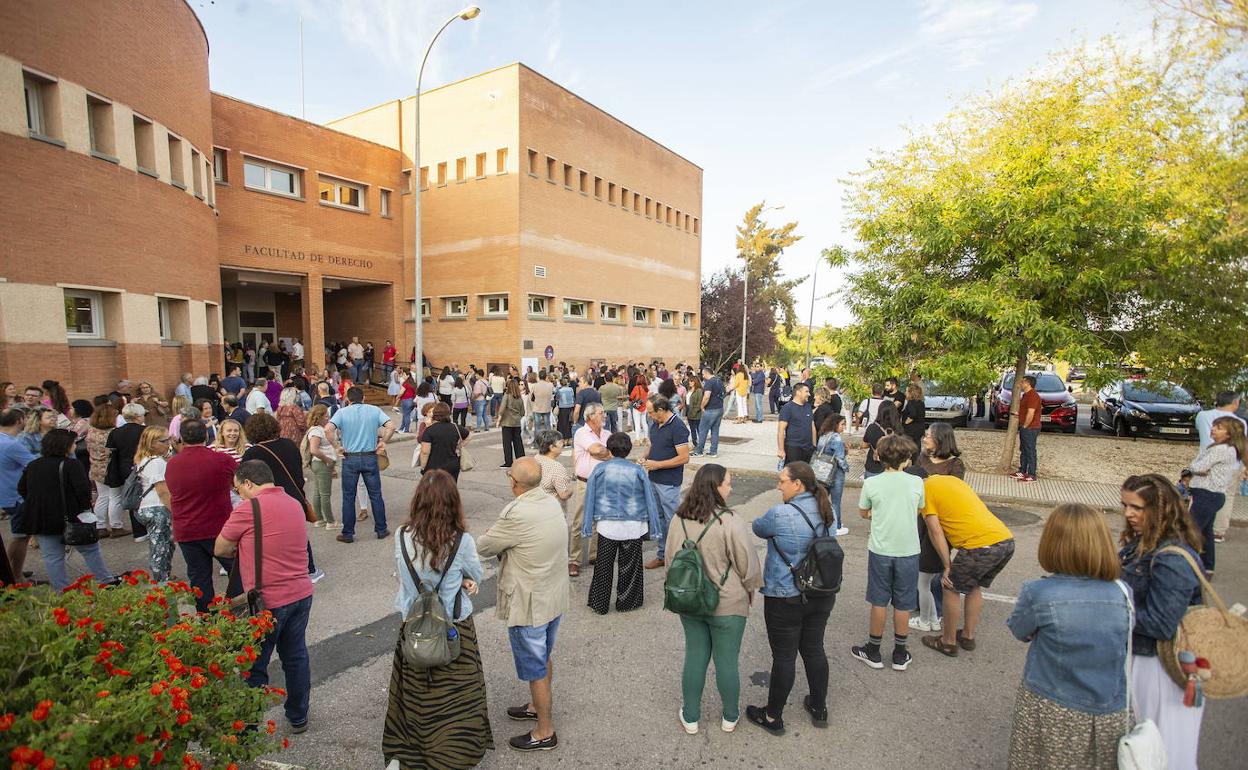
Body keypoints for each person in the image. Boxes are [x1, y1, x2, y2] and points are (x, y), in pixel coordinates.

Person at [1005, 503, 1131, 770]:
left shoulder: (1040, 592)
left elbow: (1019, 630)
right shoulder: (1123, 592)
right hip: (1110, 708)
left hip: (1052, 705)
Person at [384, 469, 493, 768]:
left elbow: (408, 578)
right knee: (457, 693)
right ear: (453, 502)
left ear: (417, 500)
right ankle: (455, 749)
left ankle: (413, 746)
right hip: (453, 625)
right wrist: (460, 581)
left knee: (417, 689)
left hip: (415, 621)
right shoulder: (461, 540)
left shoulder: (401, 536)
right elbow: (476, 573)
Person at [476, 458, 570, 753]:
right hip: (552, 594)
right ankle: (535, 706)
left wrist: (492, 532)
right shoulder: (550, 501)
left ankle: (544, 731)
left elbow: (484, 547)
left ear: (514, 483)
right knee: (543, 655)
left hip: (529, 601)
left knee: (535, 667)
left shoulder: (516, 512)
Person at [215, 460, 314, 734]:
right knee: (295, 656)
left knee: (255, 664)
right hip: (301, 592)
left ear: (248, 483)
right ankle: (298, 715)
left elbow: (221, 547)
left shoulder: (248, 509)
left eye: (239, 489)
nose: (238, 494)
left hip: (267, 599)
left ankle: (248, 725)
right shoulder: (294, 503)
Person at [1117, 473, 1205, 769]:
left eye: (1137, 508)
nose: (1128, 514)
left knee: (1162, 751)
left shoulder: (1172, 558)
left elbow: (1160, 623)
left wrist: (1112, 611)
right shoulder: (1143, 543)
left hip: (1160, 670)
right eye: (1125, 505)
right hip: (1143, 660)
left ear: (1161, 509)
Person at [745, 461, 837, 735]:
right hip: (821, 593)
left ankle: (773, 717)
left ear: (797, 484)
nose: (778, 485)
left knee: (784, 656)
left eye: (782, 481)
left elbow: (758, 528)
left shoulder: (780, 514)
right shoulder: (826, 510)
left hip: (785, 595)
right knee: (814, 648)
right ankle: (819, 706)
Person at [670, 464, 763, 735]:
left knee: (695, 655)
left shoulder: (679, 519)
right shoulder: (730, 520)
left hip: (689, 598)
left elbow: (670, 559)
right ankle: (730, 715)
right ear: (716, 486)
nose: (730, 487)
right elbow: (747, 563)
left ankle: (690, 715)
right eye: (728, 483)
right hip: (728, 600)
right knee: (727, 660)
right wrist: (750, 589)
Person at [851, 434, 923, 672]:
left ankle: (873, 649)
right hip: (909, 550)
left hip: (881, 548)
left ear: (879, 456)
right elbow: (920, 508)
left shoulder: (872, 483)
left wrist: (876, 514)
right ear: (907, 458)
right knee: (903, 602)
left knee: (879, 599)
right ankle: (900, 652)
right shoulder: (916, 483)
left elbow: (863, 512)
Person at [15, 429, 114, 591]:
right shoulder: (71, 464)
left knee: (52, 557)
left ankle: (62, 591)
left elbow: (22, 488)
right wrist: (86, 510)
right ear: (66, 445)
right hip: (71, 514)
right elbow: (82, 491)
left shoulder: (33, 464)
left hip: (41, 518)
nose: (75, 446)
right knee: (90, 550)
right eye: (73, 443)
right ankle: (106, 580)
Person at [165, 419, 242, 612]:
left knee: (199, 578)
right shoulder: (221, 460)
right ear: (207, 435)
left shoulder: (172, 464)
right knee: (239, 570)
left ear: (182, 438)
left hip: (187, 529)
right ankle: (242, 608)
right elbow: (240, 482)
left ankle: (206, 618)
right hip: (219, 527)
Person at [582, 432, 661, 614]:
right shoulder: (638, 470)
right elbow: (649, 500)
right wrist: (654, 527)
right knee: (630, 567)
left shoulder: (600, 470)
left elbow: (590, 498)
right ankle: (627, 602)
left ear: (609, 449)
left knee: (603, 566)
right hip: (633, 525)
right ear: (629, 449)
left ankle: (599, 603)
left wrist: (587, 526)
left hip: (606, 525)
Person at [242, 413, 325, 583]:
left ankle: (282, 570)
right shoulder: (288, 444)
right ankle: (309, 569)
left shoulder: (252, 453)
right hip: (294, 495)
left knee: (273, 536)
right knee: (298, 534)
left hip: (268, 501)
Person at [330, 387, 394, 543]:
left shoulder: (342, 412)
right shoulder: (374, 410)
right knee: (376, 494)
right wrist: (383, 442)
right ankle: (381, 529)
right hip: (369, 456)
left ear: (348, 399)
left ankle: (348, 533)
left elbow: (328, 429)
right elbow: (391, 425)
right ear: (363, 398)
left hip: (350, 458)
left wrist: (336, 445)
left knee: (348, 496)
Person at [1185, 415, 1245, 575]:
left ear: (1229, 433)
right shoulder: (1226, 449)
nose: (1213, 429)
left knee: (1191, 530)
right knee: (1206, 532)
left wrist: (1194, 468)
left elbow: (1197, 466)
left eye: (1219, 427)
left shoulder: (1221, 449)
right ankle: (1208, 566)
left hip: (1207, 494)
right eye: (1214, 426)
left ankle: (1185, 566)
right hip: (1214, 494)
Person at [641, 395, 691, 570]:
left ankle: (679, 556)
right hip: (654, 478)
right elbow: (652, 444)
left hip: (669, 482)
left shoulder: (678, 427)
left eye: (651, 412)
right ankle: (663, 554)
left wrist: (658, 464)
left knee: (672, 520)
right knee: (660, 518)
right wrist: (645, 457)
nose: (649, 415)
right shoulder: (655, 424)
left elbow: (685, 457)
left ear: (661, 410)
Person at [1194, 391, 1246, 544]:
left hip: (1207, 460)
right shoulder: (1240, 423)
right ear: (1236, 403)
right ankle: (1218, 531)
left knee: (1203, 494)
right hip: (1231, 463)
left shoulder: (1202, 416)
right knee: (1226, 496)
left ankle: (1201, 527)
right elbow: (1242, 444)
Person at [569, 403, 612, 576]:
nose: (604, 416)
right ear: (591, 416)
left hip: (603, 482)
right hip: (585, 482)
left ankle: (595, 555)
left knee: (599, 520)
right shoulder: (581, 432)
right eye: (602, 413)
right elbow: (595, 449)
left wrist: (604, 453)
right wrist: (606, 453)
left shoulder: (607, 434)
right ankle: (574, 560)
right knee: (579, 521)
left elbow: (611, 452)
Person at [132, 426, 175, 580]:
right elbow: (162, 491)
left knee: (162, 544)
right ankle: (161, 580)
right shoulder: (156, 462)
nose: (169, 443)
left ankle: (163, 576)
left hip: (145, 507)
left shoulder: (143, 460)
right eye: (164, 441)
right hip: (157, 508)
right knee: (161, 547)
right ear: (152, 443)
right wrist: (175, 512)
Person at [105, 403, 149, 543]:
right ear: (137, 416)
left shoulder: (115, 432)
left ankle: (138, 531)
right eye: (142, 415)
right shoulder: (146, 431)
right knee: (146, 497)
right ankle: (147, 528)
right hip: (143, 465)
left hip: (123, 468)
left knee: (132, 497)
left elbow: (111, 451)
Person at [85, 403, 128, 538]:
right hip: (110, 468)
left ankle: (100, 526)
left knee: (102, 497)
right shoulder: (113, 433)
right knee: (115, 496)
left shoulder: (91, 431)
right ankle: (116, 526)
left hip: (96, 467)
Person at [302, 404, 339, 530]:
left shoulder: (316, 429)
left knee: (318, 492)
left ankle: (319, 519)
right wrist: (328, 460)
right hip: (321, 464)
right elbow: (314, 449)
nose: (328, 419)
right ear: (319, 417)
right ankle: (330, 521)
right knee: (325, 494)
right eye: (326, 416)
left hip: (319, 464)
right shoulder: (316, 431)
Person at [814, 412, 850, 536]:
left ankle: (820, 522)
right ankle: (837, 526)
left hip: (822, 471)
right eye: (842, 424)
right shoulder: (836, 437)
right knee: (836, 501)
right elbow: (840, 458)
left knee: (822, 498)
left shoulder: (824, 435)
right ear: (835, 424)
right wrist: (846, 468)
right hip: (835, 472)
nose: (844, 427)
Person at [419, 402, 471, 481]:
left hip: (433, 466)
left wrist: (423, 466)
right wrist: (459, 446)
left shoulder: (430, 430)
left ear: (434, 414)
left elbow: (425, 452)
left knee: (434, 490)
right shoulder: (455, 427)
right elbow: (469, 436)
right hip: (452, 464)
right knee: (450, 488)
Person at [862, 400, 903, 479]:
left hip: (873, 468)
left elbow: (864, 444)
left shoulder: (872, 427)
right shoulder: (899, 429)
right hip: (893, 469)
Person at [534, 429, 575, 508]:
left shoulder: (536, 458)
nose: (563, 444)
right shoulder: (557, 468)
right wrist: (571, 489)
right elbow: (563, 495)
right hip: (552, 509)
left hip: (537, 505)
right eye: (560, 442)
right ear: (552, 447)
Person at [777, 383, 816, 465]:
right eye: (806, 392)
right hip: (793, 448)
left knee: (805, 475)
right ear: (798, 392)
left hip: (808, 448)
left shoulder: (808, 407)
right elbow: (781, 430)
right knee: (793, 475)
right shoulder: (787, 408)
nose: (809, 394)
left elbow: (812, 427)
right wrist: (781, 449)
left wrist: (814, 445)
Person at [1013, 375, 1042, 483]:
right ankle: (1022, 470)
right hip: (1026, 427)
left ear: (1028, 383)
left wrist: (1025, 425)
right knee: (1024, 450)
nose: (1021, 384)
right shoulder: (1025, 395)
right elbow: (1026, 410)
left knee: (1030, 451)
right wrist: (1019, 415)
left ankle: (1032, 474)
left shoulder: (1033, 396)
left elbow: (1031, 412)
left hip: (1031, 428)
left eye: (1023, 382)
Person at [692, 367, 726, 457]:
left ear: (706, 373)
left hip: (710, 409)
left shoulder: (709, 382)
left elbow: (707, 396)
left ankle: (699, 451)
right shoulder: (719, 381)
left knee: (703, 430)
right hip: (719, 408)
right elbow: (724, 393)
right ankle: (713, 452)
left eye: (703, 374)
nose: (703, 376)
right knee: (715, 431)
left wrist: (702, 406)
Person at [498, 378, 526, 468]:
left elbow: (502, 409)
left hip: (507, 422)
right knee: (518, 442)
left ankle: (508, 461)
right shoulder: (519, 397)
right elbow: (523, 412)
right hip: (517, 422)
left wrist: (498, 420)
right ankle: (521, 459)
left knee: (507, 443)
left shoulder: (506, 395)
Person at [901, 382, 926, 463]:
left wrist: (905, 423)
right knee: (917, 448)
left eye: (907, 391)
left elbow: (913, 414)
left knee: (907, 450)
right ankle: (916, 464)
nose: (905, 393)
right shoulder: (921, 402)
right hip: (919, 429)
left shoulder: (911, 402)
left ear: (911, 392)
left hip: (911, 430)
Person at [627, 374, 650, 443]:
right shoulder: (646, 388)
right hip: (644, 406)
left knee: (637, 423)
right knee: (644, 422)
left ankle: (637, 439)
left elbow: (631, 397)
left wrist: (631, 399)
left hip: (637, 407)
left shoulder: (636, 388)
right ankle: (646, 438)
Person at [684, 374, 704, 449]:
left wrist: (694, 412)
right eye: (689, 381)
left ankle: (701, 444)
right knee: (692, 429)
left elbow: (699, 403)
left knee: (698, 429)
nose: (690, 382)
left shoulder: (699, 391)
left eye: (691, 381)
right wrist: (686, 413)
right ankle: (695, 443)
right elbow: (686, 402)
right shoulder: (689, 390)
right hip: (689, 409)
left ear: (695, 382)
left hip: (696, 412)